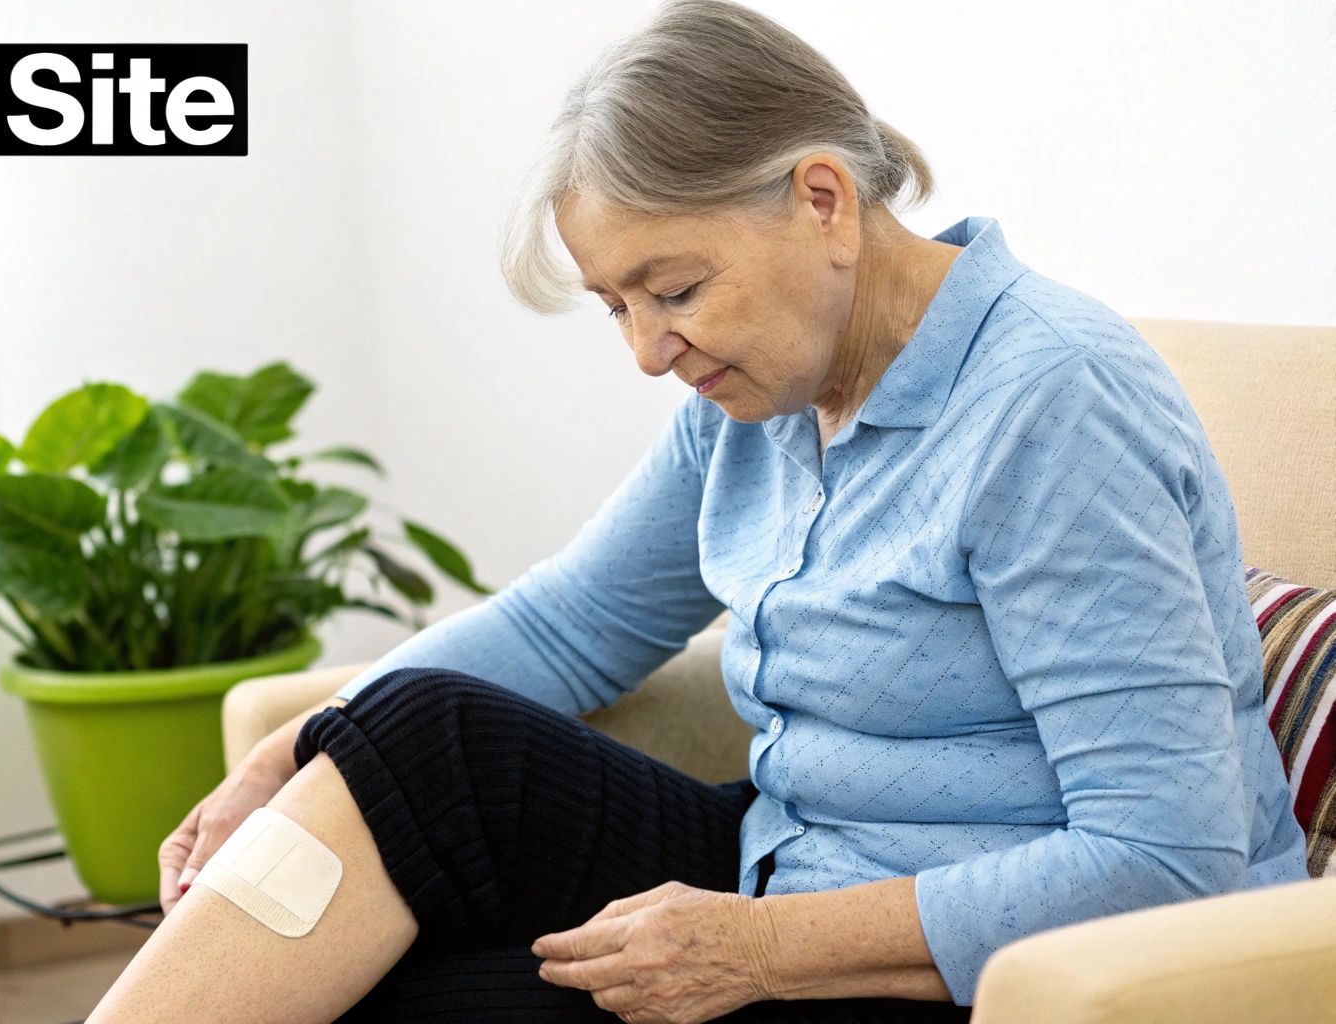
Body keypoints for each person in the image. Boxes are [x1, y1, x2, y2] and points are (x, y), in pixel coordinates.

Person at [85, 2, 1311, 1021]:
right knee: (416, 735)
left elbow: (1166, 856)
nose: (644, 351)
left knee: (380, 998)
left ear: (822, 199)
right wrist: (292, 747)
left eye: (670, 289)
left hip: (976, 956)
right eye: (614, 304)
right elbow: (571, 622)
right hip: (785, 857)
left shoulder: (1050, 405)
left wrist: (761, 951)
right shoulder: (764, 391)